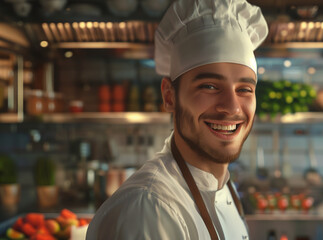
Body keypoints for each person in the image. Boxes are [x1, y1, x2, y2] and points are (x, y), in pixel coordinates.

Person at [86, 0, 268, 239]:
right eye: (210, 86)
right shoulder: (149, 209)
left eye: (244, 89)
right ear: (169, 96)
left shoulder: (223, 185)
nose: (232, 107)